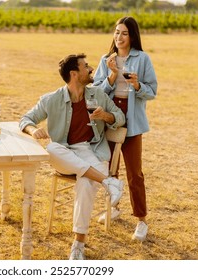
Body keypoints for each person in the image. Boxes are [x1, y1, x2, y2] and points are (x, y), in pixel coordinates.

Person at [19, 53, 125, 260]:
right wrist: (33, 130)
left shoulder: (97, 95)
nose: (91, 69)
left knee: (86, 183)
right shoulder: (52, 99)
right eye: (86, 66)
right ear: (74, 74)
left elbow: (119, 117)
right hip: (66, 154)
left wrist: (105, 116)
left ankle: (78, 246)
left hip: (93, 151)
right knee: (51, 149)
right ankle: (108, 182)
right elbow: (26, 119)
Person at [93, 16, 158, 242]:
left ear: (132, 36)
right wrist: (111, 75)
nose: (119, 37)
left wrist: (137, 85)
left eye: (124, 33)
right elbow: (97, 93)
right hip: (110, 118)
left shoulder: (142, 59)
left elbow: (152, 91)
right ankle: (115, 207)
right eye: (116, 32)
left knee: (134, 173)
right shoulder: (106, 60)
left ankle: (141, 219)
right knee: (111, 170)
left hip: (133, 120)